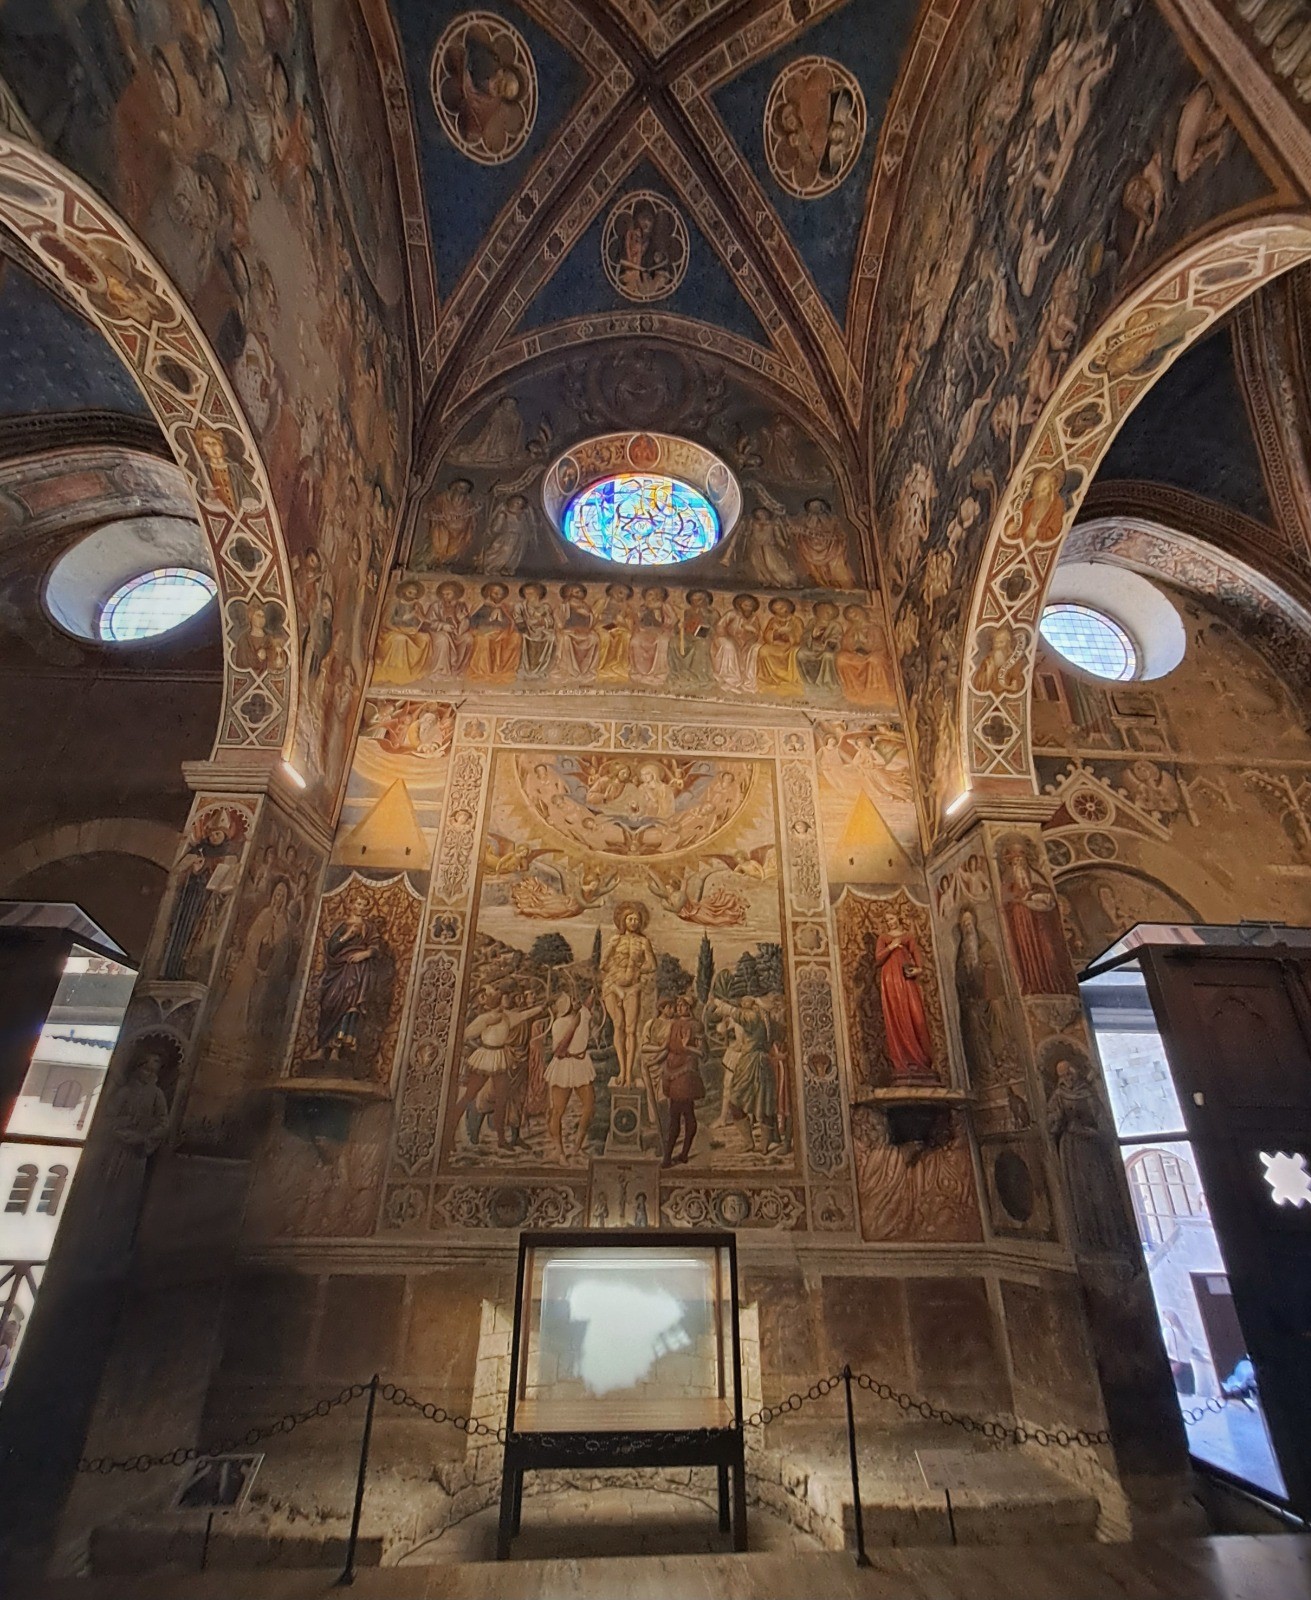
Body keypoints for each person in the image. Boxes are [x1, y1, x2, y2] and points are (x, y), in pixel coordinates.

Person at [601, 903, 657, 1089]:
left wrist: (637, 968)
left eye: (636, 920)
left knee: (631, 1030)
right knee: (618, 1026)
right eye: (630, 919)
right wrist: (617, 969)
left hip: (632, 987)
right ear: (623, 921)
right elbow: (603, 964)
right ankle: (621, 1070)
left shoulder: (643, 942)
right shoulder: (615, 940)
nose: (633, 922)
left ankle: (628, 1073)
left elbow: (652, 965)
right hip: (613, 986)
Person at [545, 989, 596, 1162]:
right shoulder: (559, 1024)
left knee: (589, 1106)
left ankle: (576, 1147)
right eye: (572, 1000)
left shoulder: (583, 1014)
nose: (576, 1001)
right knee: (558, 1110)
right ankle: (559, 1151)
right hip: (564, 1065)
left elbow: (588, 1004)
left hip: (581, 1064)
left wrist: (592, 994)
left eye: (576, 999)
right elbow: (557, 1049)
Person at [662, 996, 706, 1167]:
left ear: (690, 1007)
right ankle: (679, 1155)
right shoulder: (674, 1024)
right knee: (682, 1114)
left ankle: (673, 1156)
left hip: (686, 1072)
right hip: (672, 1070)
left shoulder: (696, 1025)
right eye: (678, 1005)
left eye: (683, 1005)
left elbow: (703, 1053)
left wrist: (687, 1047)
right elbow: (668, 1047)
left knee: (680, 1114)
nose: (679, 1008)